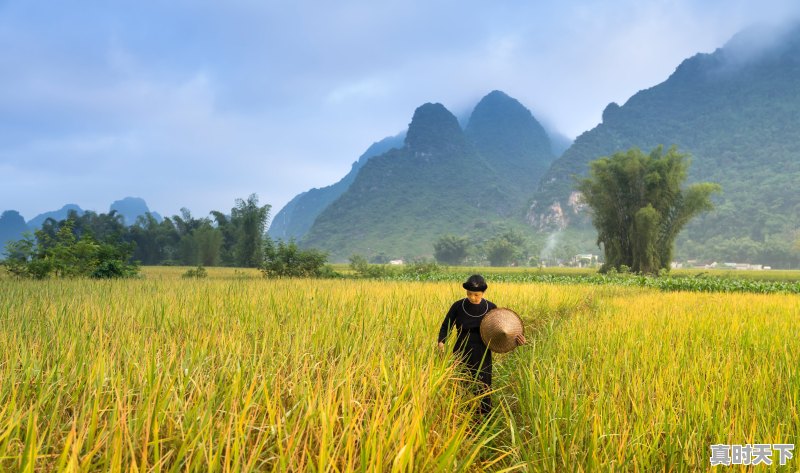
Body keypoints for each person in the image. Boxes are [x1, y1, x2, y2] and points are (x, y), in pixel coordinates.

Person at [437, 274, 525, 416]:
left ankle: (484, 416)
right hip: (461, 348)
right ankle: (461, 415)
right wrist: (442, 340)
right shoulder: (458, 306)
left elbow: (503, 330)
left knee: (483, 384)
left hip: (482, 350)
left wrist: (517, 339)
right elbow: (447, 324)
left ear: (483, 293)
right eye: (469, 294)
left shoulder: (491, 308)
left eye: (476, 295)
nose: (472, 297)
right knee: (461, 382)